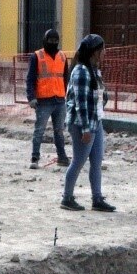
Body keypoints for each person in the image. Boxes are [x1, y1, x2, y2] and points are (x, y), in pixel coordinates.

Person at [62, 34, 116, 212]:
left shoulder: (93, 70)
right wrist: (86, 129)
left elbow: (98, 96)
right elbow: (81, 103)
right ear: (94, 52)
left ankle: (97, 198)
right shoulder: (81, 72)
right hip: (82, 124)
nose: (105, 53)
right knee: (79, 161)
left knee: (96, 160)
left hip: (95, 121)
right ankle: (67, 198)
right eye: (102, 50)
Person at [26, 29, 71, 170]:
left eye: (55, 41)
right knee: (39, 130)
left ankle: (62, 157)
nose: (53, 43)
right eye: (50, 40)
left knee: (59, 131)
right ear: (45, 40)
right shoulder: (37, 56)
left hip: (59, 100)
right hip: (43, 100)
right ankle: (35, 157)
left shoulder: (62, 57)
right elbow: (30, 79)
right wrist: (31, 97)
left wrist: (65, 94)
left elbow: (65, 78)